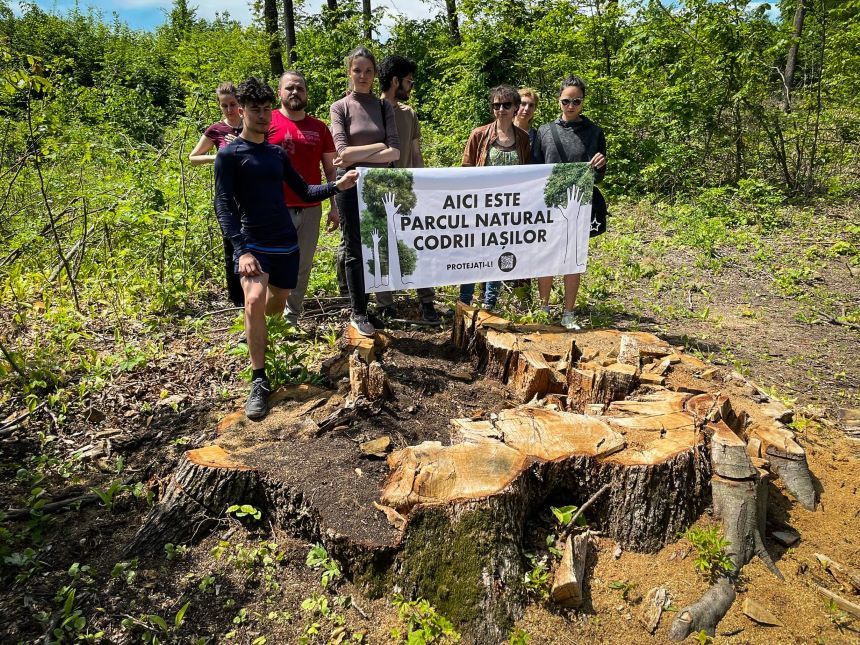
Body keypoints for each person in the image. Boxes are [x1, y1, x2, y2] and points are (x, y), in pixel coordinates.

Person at [215, 77, 358, 419]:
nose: (263, 116)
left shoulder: (276, 153)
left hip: (285, 245)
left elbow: (306, 191)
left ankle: (258, 337)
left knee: (274, 305)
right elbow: (223, 206)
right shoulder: (230, 155)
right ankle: (258, 380)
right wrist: (242, 250)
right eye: (255, 110)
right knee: (252, 301)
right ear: (242, 111)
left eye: (266, 109)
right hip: (254, 242)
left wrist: (337, 186)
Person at [330, 47, 400, 336]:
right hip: (349, 185)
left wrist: (365, 154)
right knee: (355, 248)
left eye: (368, 71)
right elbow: (342, 153)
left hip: (379, 185)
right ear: (350, 72)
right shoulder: (340, 107)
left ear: (374, 75)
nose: (363, 76)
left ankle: (370, 306)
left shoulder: (384, 107)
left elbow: (395, 151)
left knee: (377, 247)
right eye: (357, 70)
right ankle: (358, 310)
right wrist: (377, 147)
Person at [532, 75, 607, 330]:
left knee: (573, 257)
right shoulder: (544, 131)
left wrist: (599, 166)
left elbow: (599, 176)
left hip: (579, 202)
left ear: (583, 101)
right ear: (559, 100)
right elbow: (534, 169)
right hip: (549, 203)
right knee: (546, 255)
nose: (571, 106)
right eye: (566, 101)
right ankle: (543, 308)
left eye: (576, 101)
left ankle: (568, 312)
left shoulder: (595, 132)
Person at [268, 70, 340, 326]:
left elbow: (331, 170)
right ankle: (266, 320)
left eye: (299, 88)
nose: (294, 92)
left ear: (307, 93)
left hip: (310, 208)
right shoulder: (267, 121)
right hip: (274, 209)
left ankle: (290, 319)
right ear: (280, 93)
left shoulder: (319, 128)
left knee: (302, 267)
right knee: (272, 267)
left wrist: (334, 207)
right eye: (289, 88)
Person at [374, 55, 440, 324]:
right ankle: (385, 305)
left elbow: (415, 154)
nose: (411, 87)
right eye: (409, 82)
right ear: (395, 81)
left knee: (417, 245)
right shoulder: (369, 110)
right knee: (381, 247)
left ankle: (426, 301)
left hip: (407, 190)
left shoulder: (408, 113)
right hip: (376, 191)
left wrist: (422, 188)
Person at [458, 84, 531, 311]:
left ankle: (490, 303)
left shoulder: (523, 138)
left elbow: (529, 172)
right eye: (496, 105)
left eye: (506, 105)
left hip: (508, 209)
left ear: (515, 108)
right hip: (480, 207)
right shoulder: (479, 135)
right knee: (472, 253)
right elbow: (466, 167)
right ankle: (465, 302)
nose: (501, 109)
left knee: (500, 254)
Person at [188, 82, 244, 306]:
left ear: (240, 103)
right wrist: (219, 155)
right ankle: (237, 298)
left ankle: (256, 294)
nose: (229, 110)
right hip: (227, 197)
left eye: (233, 104)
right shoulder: (216, 130)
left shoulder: (251, 125)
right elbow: (193, 158)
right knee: (231, 245)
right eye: (224, 106)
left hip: (252, 195)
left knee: (253, 243)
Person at [515, 87, 540, 153]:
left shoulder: (537, 137)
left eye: (531, 105)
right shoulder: (503, 133)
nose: (527, 108)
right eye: (523, 104)